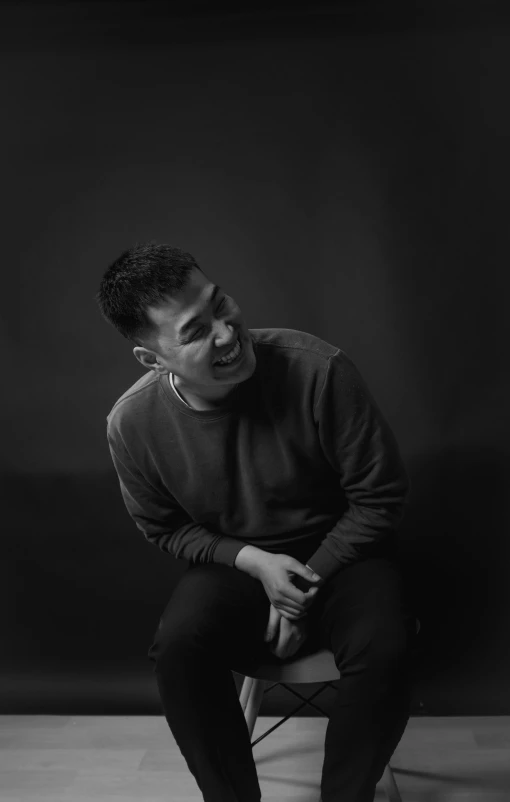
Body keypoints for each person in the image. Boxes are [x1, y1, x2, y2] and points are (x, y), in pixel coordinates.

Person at [96, 241, 417, 802]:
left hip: (347, 550)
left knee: (385, 643)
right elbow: (164, 527)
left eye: (221, 305)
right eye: (196, 331)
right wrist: (255, 563)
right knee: (179, 645)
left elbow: (379, 499)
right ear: (152, 358)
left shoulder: (318, 369)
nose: (226, 333)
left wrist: (299, 593)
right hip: (239, 561)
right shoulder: (132, 423)